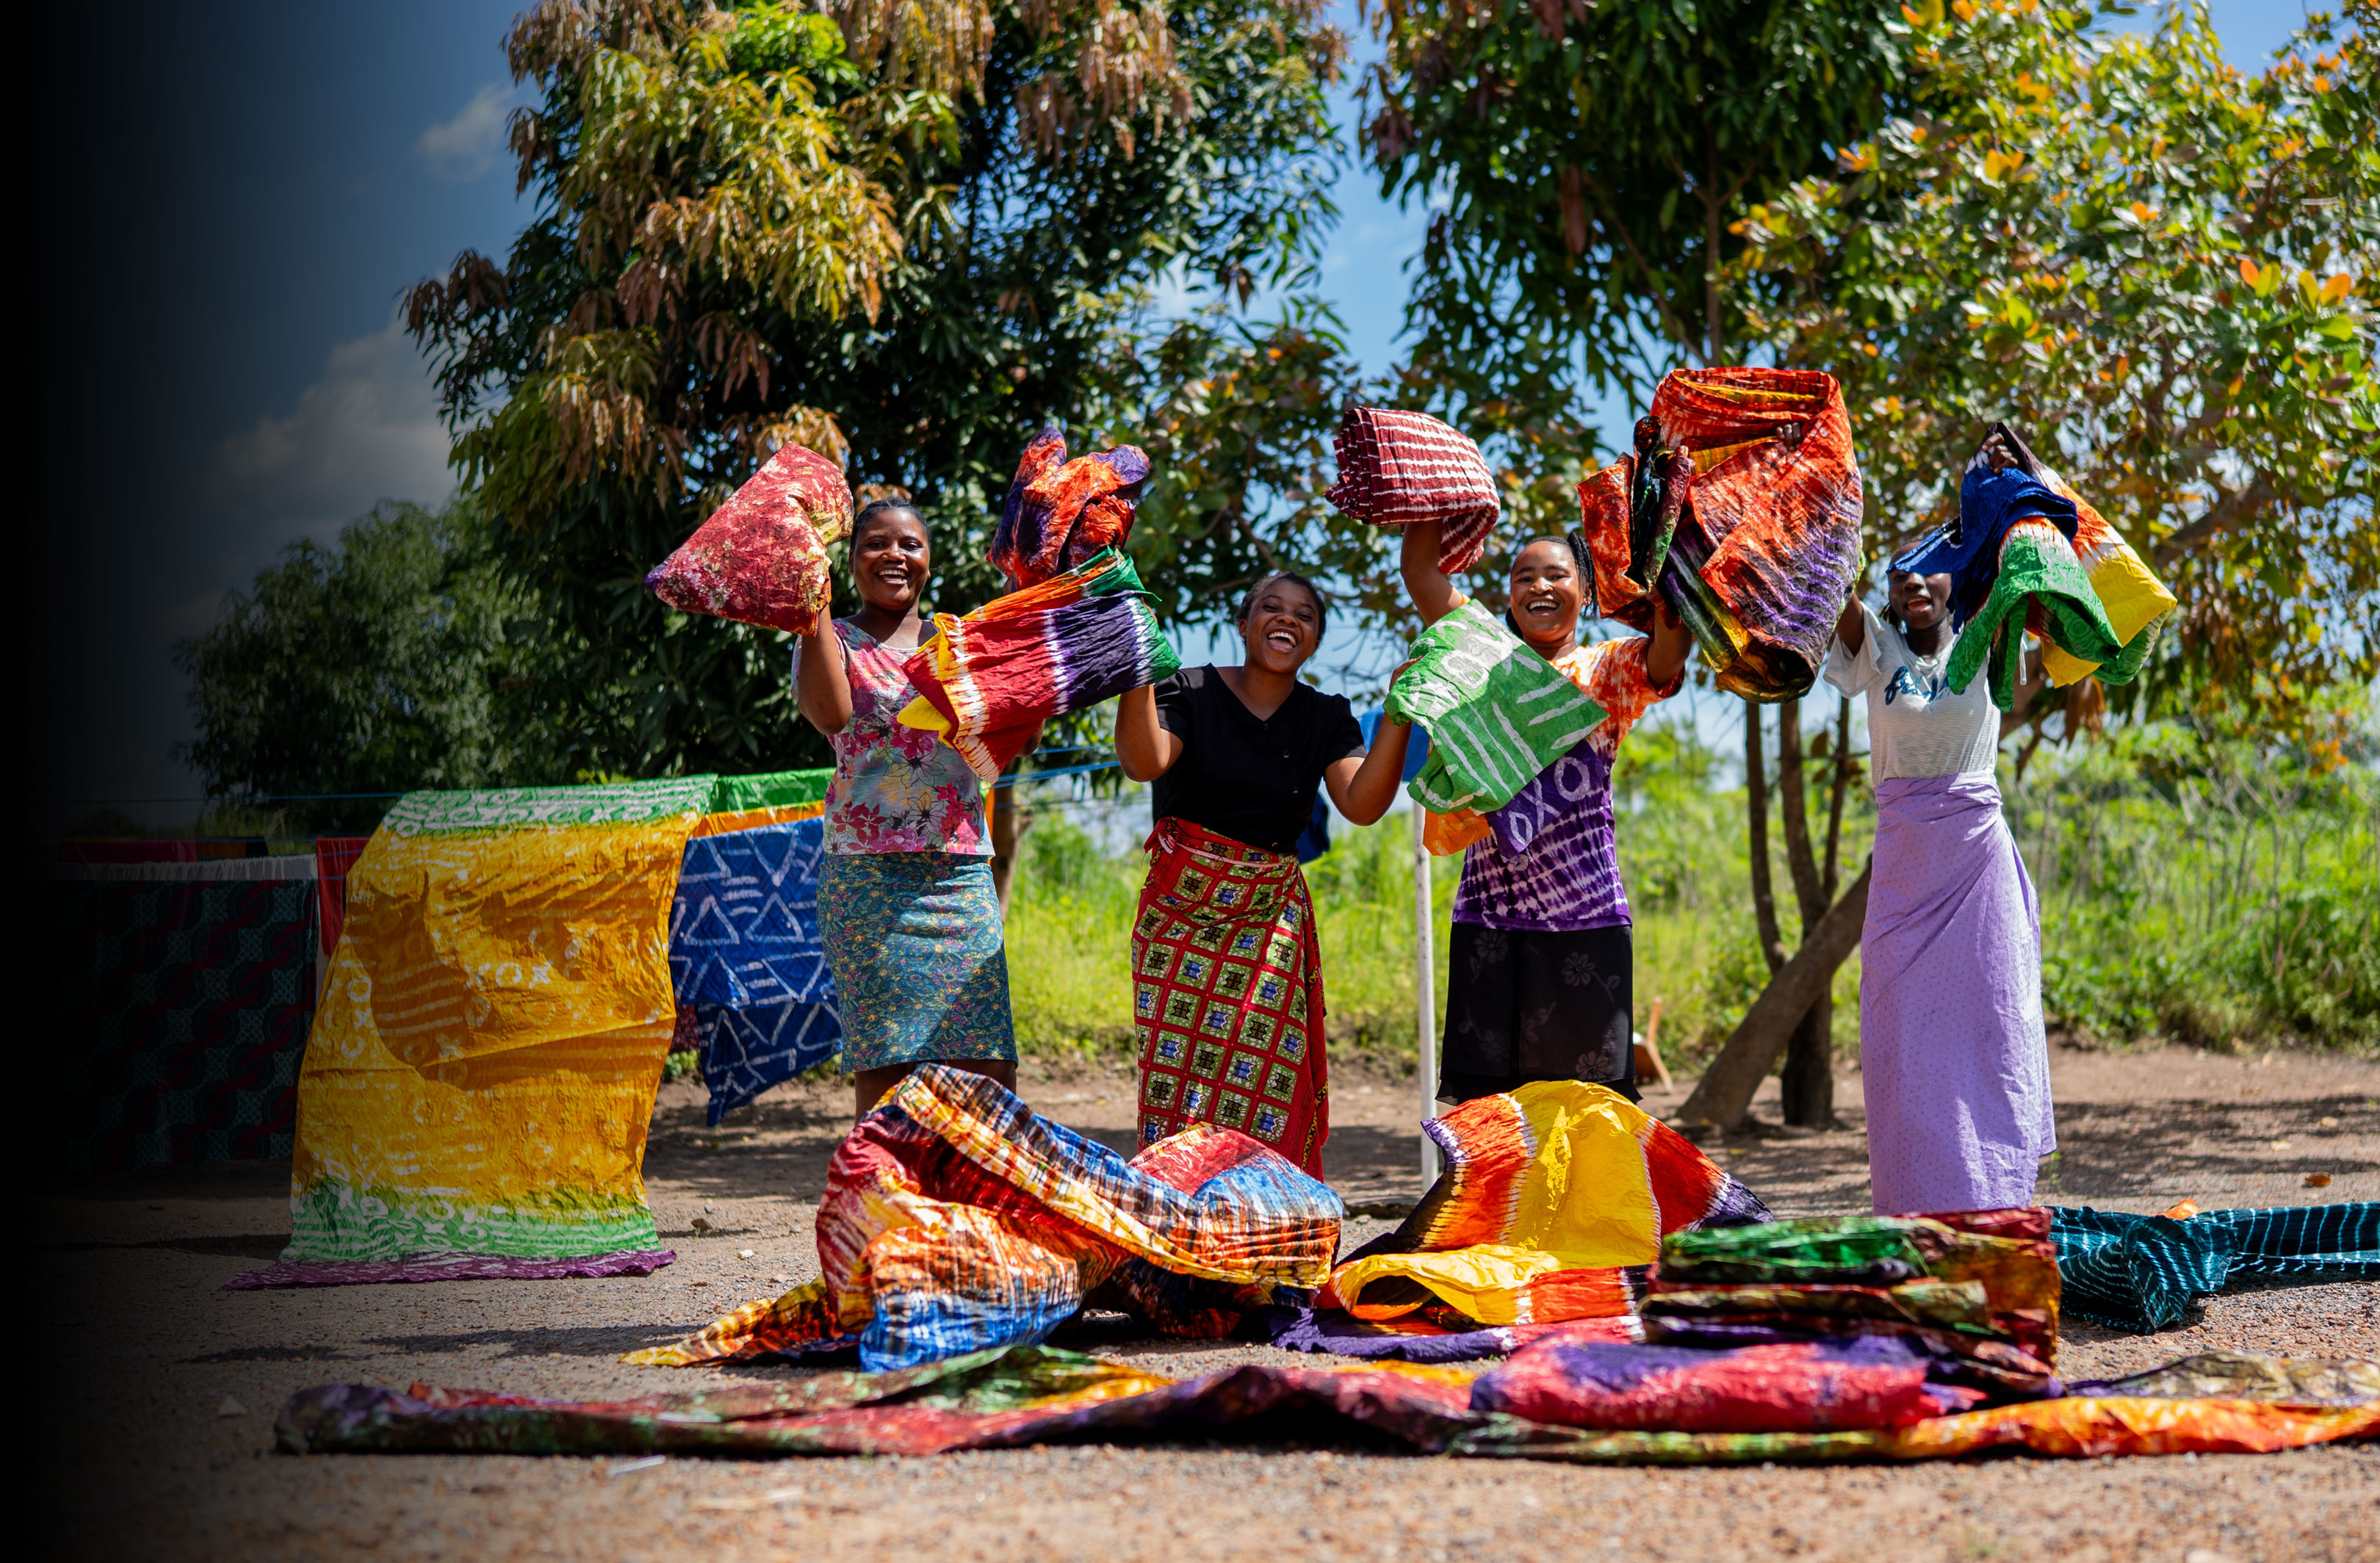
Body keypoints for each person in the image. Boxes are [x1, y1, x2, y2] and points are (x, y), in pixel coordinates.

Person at [1113, 571, 1413, 1173]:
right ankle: (1180, 1209)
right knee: (1179, 1079)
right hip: (1181, 922)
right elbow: (1145, 762)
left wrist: (1399, 714)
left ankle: (1265, 1212)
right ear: (1243, 624)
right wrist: (1135, 668)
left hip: (1268, 924)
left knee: (1267, 1082)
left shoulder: (1326, 716)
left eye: (1305, 615)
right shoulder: (1188, 688)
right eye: (1271, 607)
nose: (1287, 619)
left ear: (1316, 640)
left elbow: (1360, 804)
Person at [1823, 432, 2054, 1213]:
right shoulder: (1874, 644)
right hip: (1903, 871)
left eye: (1932, 567)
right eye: (1901, 571)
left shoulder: (1988, 638)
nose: (1916, 579)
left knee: (1990, 1027)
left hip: (1975, 865)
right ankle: (1914, 1207)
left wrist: (2015, 466)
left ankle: (1995, 1204)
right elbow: (1830, 581)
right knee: (1902, 1035)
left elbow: (2045, 548)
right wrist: (1822, 491)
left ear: (1959, 580)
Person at [1400, 519, 1694, 1103]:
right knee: (1490, 1111)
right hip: (1490, 915)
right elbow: (1420, 573)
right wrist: (1428, 491)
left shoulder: (1608, 668)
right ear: (1509, 596)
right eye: (1523, 577)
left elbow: (1668, 652)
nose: (1539, 586)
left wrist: (1669, 577)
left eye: (1556, 575)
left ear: (1584, 590)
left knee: (1588, 1110)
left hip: (1587, 917)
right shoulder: (1483, 659)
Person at [793, 497, 1035, 1119]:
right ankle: (881, 1181)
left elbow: (1021, 735)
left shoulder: (962, 641)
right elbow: (831, 716)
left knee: (990, 1063)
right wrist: (811, 600)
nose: (894, 556)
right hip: (867, 881)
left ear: (929, 559)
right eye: (876, 543)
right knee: (887, 1066)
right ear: (849, 561)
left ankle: (979, 1181)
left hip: (958, 876)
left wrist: (1029, 634)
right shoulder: (828, 636)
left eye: (910, 544)